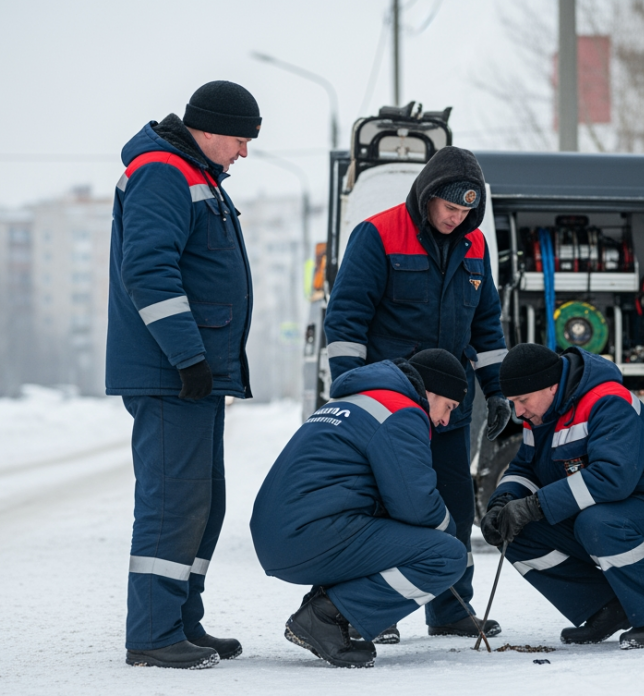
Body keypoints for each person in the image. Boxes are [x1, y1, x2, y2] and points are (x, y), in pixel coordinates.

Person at [323, 146, 510, 641]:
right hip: (388, 405)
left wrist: (497, 394)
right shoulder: (378, 235)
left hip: (450, 407)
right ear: (427, 196)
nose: (457, 218)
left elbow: (487, 329)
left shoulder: (474, 249)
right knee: (381, 505)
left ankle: (451, 608)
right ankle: (367, 612)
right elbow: (344, 324)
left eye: (468, 212)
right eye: (450, 208)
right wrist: (349, 394)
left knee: (454, 502)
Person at [106, 80, 259, 669]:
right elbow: (147, 271)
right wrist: (187, 356)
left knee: (204, 502)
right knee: (173, 503)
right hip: (171, 373)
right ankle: (151, 633)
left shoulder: (197, 177)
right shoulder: (163, 173)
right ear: (213, 128)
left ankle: (180, 622)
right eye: (242, 139)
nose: (244, 152)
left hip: (195, 372)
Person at [250, 350, 473, 668]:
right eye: (448, 407)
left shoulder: (356, 401)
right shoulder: (401, 411)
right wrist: (449, 533)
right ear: (431, 391)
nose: (445, 420)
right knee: (446, 556)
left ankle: (325, 607)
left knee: (386, 524)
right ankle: (325, 617)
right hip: (306, 535)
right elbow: (415, 504)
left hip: (284, 534)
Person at [480, 344, 644, 649]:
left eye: (522, 400)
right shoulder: (539, 416)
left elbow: (612, 478)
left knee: (596, 523)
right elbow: (524, 468)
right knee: (516, 530)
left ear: (552, 386)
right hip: (615, 513)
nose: (518, 411)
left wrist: (535, 505)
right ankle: (605, 608)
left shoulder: (607, 400)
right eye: (513, 402)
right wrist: (502, 502)